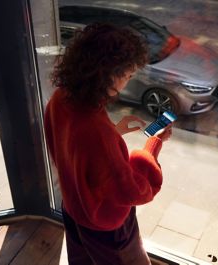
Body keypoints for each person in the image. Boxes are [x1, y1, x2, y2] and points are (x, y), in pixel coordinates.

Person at [44, 23, 172, 265]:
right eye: (128, 75)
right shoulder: (97, 130)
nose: (128, 81)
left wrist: (115, 132)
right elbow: (132, 191)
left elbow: (77, 150)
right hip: (105, 225)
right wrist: (152, 147)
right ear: (108, 74)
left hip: (73, 207)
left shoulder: (60, 98)